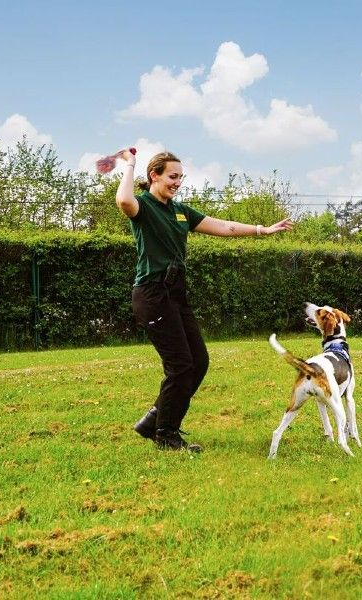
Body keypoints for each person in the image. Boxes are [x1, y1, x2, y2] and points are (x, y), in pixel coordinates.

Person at [114, 148, 293, 452]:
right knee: (181, 365)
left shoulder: (180, 211)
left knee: (199, 361)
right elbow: (123, 201)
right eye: (172, 176)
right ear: (154, 175)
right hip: (152, 294)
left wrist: (263, 229)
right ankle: (166, 434)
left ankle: (153, 421)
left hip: (176, 293)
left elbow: (225, 227)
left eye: (180, 177)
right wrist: (130, 165)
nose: (177, 182)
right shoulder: (143, 208)